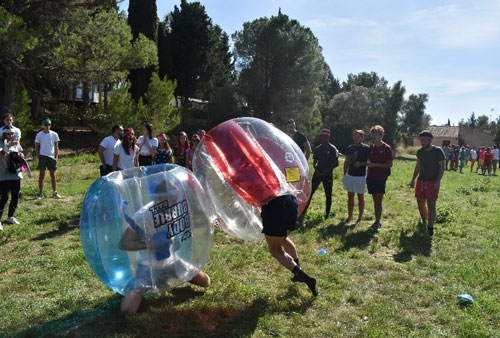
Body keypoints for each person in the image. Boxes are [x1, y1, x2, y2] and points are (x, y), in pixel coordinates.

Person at [119, 195, 210, 314]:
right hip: (148, 269)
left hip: (173, 263)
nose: (174, 203)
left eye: (175, 200)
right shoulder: (143, 215)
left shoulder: (176, 207)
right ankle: (133, 285)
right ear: (158, 199)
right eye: (170, 200)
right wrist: (148, 244)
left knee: (206, 282)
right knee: (128, 310)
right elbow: (124, 243)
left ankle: (163, 280)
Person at [262, 194, 318, 296]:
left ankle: (307, 279)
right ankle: (297, 271)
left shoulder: (248, 177)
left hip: (274, 207)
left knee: (275, 250)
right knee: (283, 237)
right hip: (290, 201)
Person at [410, 131, 445, 236]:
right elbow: (418, 166)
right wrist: (413, 179)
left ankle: (430, 228)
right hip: (421, 181)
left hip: (432, 182)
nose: (423, 142)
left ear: (430, 140)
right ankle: (424, 221)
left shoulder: (438, 151)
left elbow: (442, 167)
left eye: (425, 141)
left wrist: (438, 181)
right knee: (420, 203)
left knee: (431, 205)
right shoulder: (420, 152)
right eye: (421, 140)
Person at [366, 125, 393, 232]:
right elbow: (369, 162)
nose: (376, 135)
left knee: (378, 200)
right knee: (374, 200)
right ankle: (376, 220)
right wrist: (367, 174)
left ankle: (378, 222)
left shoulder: (387, 148)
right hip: (371, 177)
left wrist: (375, 165)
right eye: (374, 133)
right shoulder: (371, 147)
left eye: (378, 133)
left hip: (381, 178)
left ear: (382, 134)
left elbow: (390, 164)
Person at [309, 129, 339, 218]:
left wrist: (327, 170)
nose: (323, 138)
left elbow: (336, 163)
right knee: (310, 192)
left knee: (328, 194)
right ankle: (304, 208)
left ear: (328, 137)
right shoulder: (318, 148)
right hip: (318, 173)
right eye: (322, 136)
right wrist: (316, 170)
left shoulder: (333, 149)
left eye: (325, 136)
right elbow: (314, 162)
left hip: (328, 174)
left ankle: (327, 213)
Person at [343, 129, 370, 224]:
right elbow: (346, 161)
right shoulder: (349, 148)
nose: (356, 138)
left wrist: (361, 164)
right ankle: (350, 216)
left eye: (358, 137)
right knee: (350, 197)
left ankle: (360, 217)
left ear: (362, 138)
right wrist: (344, 174)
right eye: (354, 137)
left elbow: (370, 163)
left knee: (360, 197)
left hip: (360, 176)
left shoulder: (367, 148)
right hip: (350, 175)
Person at [0, 128, 24, 230]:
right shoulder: (1, 143)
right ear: (4, 134)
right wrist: (8, 146)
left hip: (16, 174)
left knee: (15, 196)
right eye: (9, 134)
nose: (11, 135)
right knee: (4, 198)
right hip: (4, 175)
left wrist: (21, 156)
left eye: (12, 133)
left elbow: (21, 153)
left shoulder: (16, 143)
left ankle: (10, 216)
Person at [35, 118, 61, 199]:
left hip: (51, 156)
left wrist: (56, 157)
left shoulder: (54, 134)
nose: (47, 126)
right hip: (43, 156)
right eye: (46, 124)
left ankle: (55, 192)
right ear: (43, 125)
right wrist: (38, 157)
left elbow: (56, 147)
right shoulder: (39, 135)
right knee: (41, 175)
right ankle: (40, 193)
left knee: (53, 175)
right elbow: (36, 147)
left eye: (49, 124)